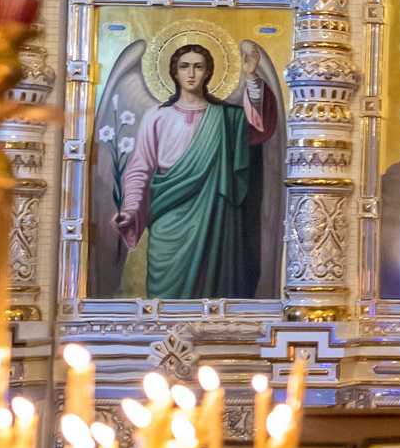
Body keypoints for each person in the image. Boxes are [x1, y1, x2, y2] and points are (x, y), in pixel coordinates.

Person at [112, 44, 277, 300]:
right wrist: (131, 208)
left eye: (198, 67)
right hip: (169, 211)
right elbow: (139, 167)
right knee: (164, 293)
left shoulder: (226, 117)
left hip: (213, 214)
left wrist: (251, 77)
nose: (191, 74)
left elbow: (258, 124)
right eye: (184, 67)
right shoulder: (157, 116)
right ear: (174, 73)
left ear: (208, 73)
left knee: (213, 289)